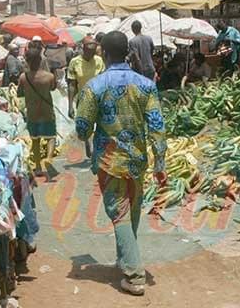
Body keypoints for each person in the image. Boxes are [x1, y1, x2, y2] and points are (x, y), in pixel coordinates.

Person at [74, 31, 167, 296]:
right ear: (127, 51)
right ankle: (125, 258)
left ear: (104, 53)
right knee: (131, 211)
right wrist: (160, 162)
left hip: (109, 162)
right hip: (138, 160)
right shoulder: (146, 85)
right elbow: (158, 127)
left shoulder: (94, 86)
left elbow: (82, 130)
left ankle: (135, 275)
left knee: (119, 212)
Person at [19, 47, 57, 178]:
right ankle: (48, 158)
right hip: (47, 111)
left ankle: (38, 168)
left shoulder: (23, 77)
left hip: (32, 113)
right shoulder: (49, 76)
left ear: (27, 61)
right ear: (40, 60)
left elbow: (19, 93)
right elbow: (53, 88)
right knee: (51, 136)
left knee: (35, 140)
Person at [67, 38, 105, 158]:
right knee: (84, 126)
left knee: (100, 124)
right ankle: (88, 143)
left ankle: (98, 149)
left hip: (98, 98)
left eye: (93, 51)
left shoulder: (99, 61)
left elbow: (104, 80)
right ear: (83, 49)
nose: (91, 54)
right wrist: (70, 106)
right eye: (89, 51)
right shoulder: (75, 62)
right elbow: (72, 84)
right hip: (82, 99)